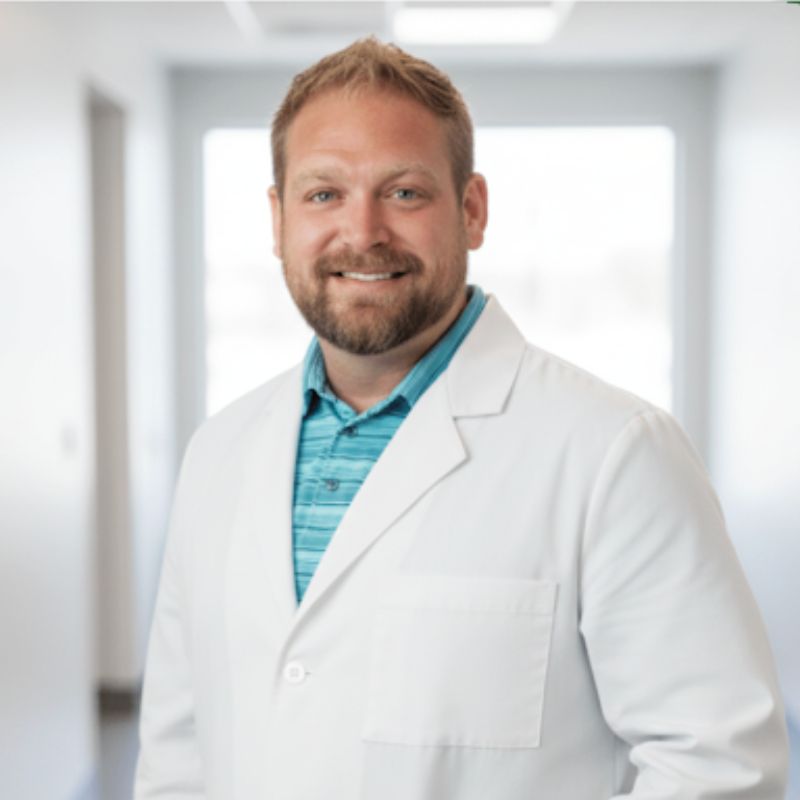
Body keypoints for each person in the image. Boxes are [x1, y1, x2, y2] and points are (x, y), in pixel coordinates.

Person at [134, 38, 788, 800]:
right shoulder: (219, 452)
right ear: (277, 219)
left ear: (472, 211)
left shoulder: (614, 452)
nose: (364, 231)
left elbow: (717, 766)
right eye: (323, 194)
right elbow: (177, 754)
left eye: (404, 192)